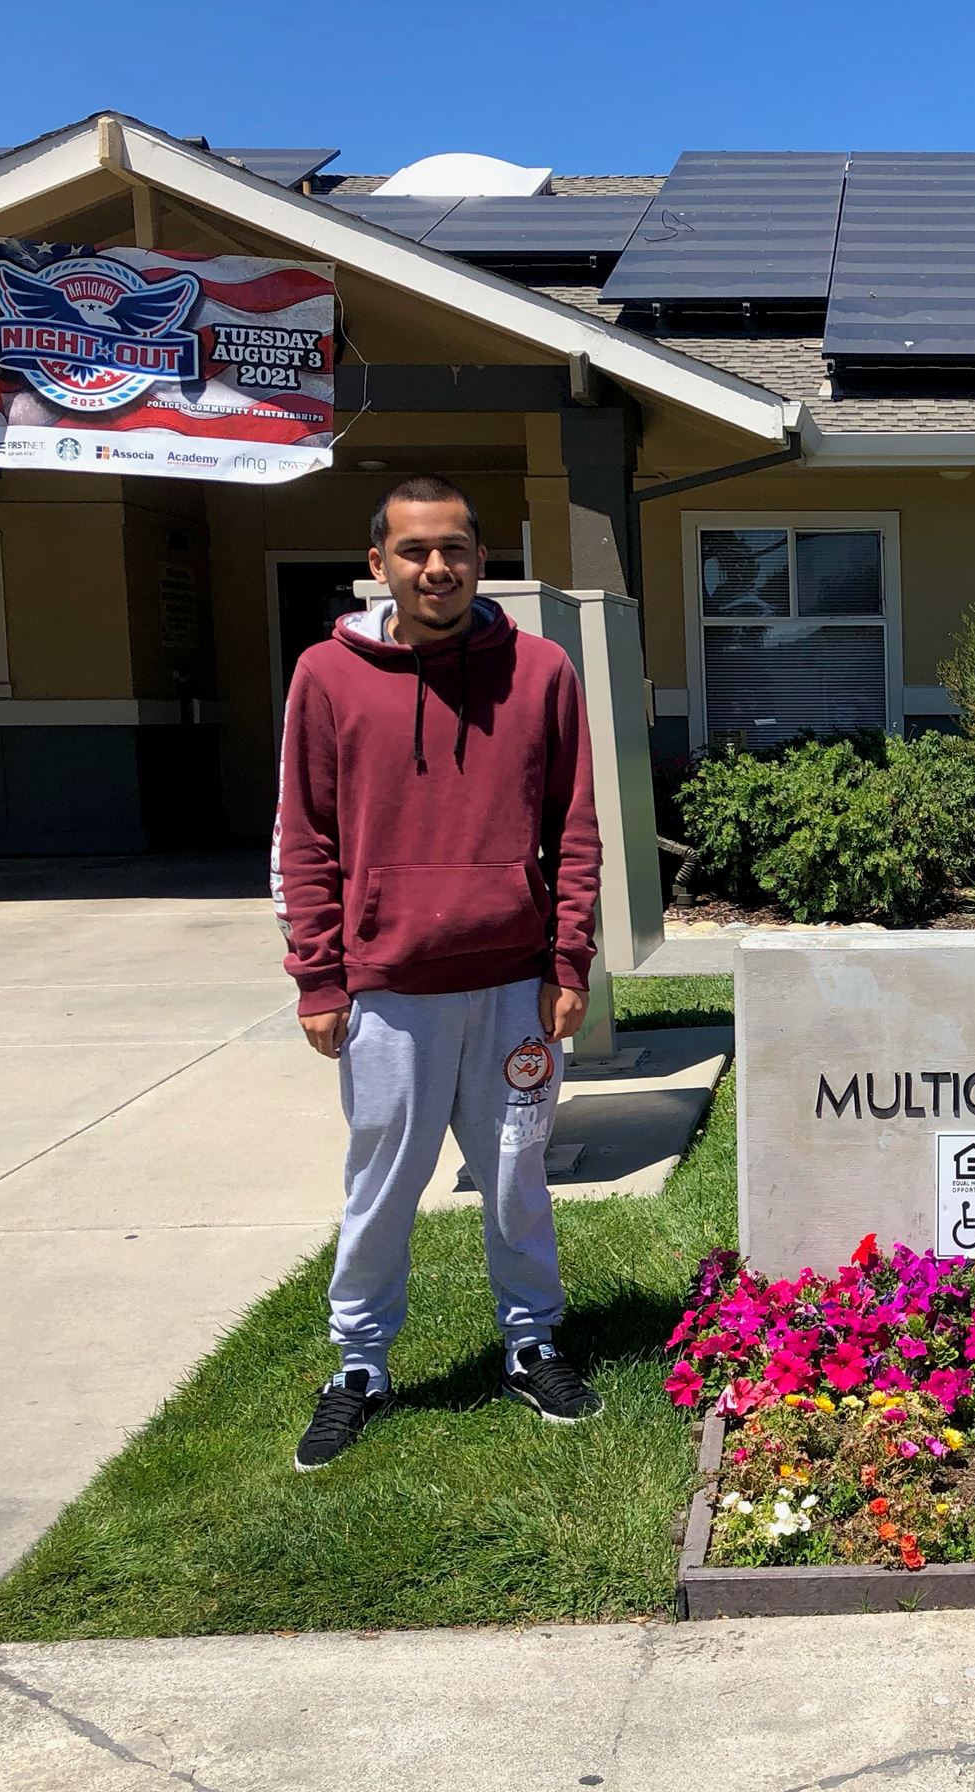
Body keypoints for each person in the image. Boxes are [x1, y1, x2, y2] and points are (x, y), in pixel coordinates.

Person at [272, 474, 604, 1469]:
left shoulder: (540, 672)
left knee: (515, 1179)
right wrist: (319, 978)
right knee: (382, 1184)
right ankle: (360, 1364)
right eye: (414, 551)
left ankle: (529, 1341)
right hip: (391, 989)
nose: (436, 567)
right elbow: (306, 838)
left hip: (513, 985)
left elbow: (574, 832)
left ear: (480, 557)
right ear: (378, 565)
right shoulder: (325, 678)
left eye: (455, 547)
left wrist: (568, 959)